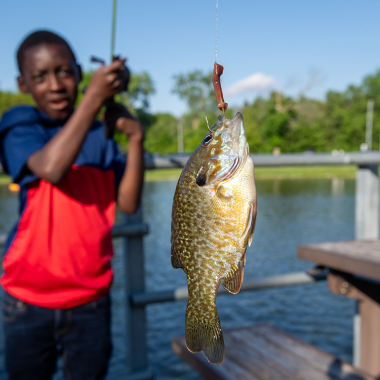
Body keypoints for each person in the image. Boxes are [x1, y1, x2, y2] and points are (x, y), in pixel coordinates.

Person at [0, 30, 144, 380]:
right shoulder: (20, 124)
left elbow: (128, 202)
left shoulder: (101, 135)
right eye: (40, 76)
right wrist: (94, 97)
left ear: (79, 73)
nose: (55, 85)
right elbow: (51, 167)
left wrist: (136, 139)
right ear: (23, 84)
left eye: (65, 72)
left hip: (90, 300)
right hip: (26, 300)